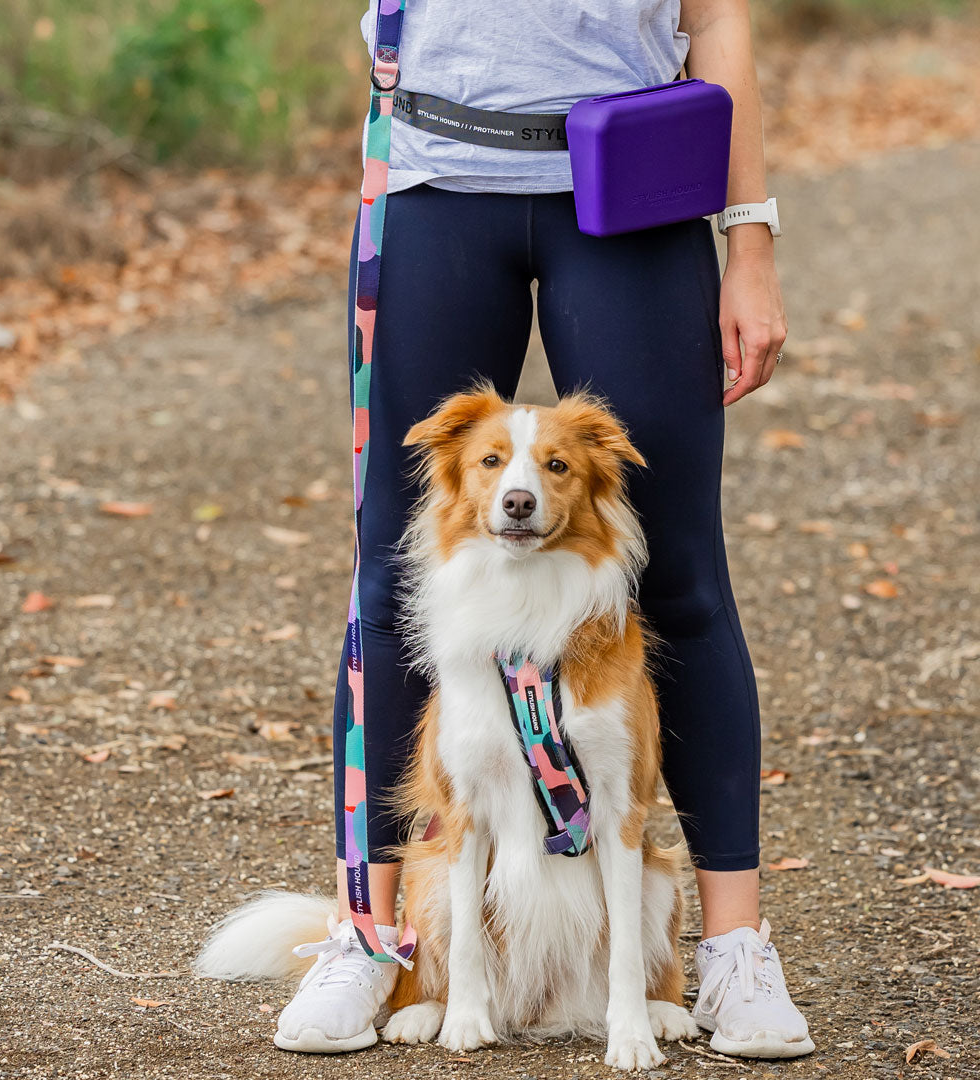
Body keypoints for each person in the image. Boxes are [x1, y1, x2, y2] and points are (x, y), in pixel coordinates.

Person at [275, 0, 812, 1060]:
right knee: (390, 581)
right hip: (433, 180)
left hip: (635, 186)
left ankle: (734, 951)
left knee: (683, 583)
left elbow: (717, 21)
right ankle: (372, 934)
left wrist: (749, 243)